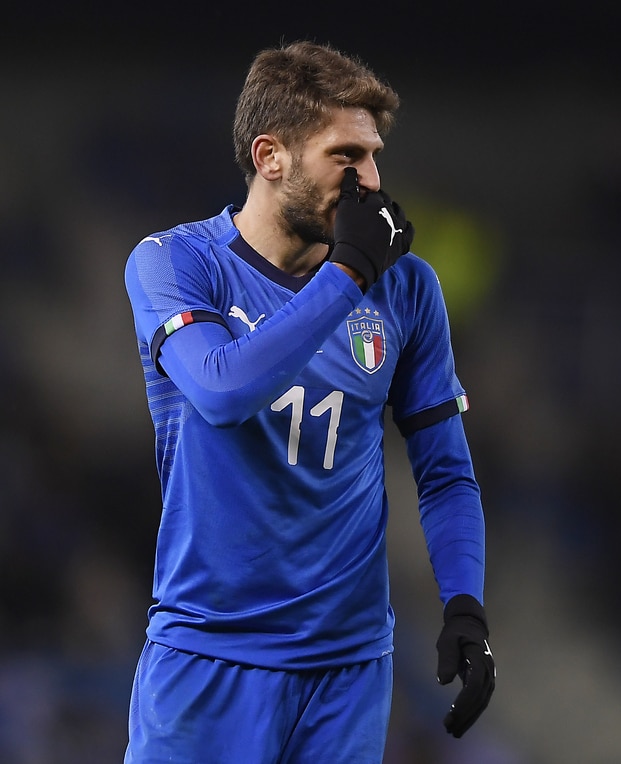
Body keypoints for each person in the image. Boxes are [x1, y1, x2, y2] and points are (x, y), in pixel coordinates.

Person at [122, 40, 495, 763]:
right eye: (346, 157)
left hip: (348, 674)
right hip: (209, 657)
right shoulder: (175, 262)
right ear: (271, 157)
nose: (371, 182)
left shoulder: (405, 288)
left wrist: (465, 607)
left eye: (374, 157)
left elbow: (446, 472)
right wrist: (348, 274)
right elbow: (222, 390)